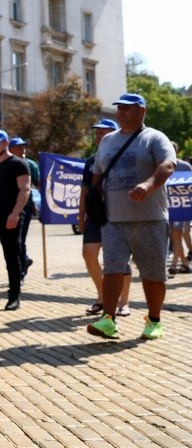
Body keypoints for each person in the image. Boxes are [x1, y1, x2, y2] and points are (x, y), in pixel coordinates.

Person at [88, 93, 176, 341]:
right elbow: (97, 175)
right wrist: (94, 200)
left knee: (153, 274)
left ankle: (154, 320)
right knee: (113, 269)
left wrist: (148, 185)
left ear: (142, 111)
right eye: (119, 109)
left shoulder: (155, 138)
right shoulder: (106, 141)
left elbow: (168, 165)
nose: (120, 113)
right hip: (114, 220)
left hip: (150, 219)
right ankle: (108, 320)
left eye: (127, 109)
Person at [78, 118, 132, 317]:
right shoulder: (91, 161)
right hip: (95, 214)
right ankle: (102, 297)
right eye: (97, 133)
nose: (99, 136)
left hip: (118, 214)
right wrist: (80, 216)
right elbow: (85, 191)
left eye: (103, 132)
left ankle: (124, 303)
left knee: (119, 260)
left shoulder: (125, 155)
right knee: (88, 254)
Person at [0, 130, 31, 311]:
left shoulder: (18, 164)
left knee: (11, 257)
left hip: (11, 218)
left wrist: (15, 213)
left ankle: (14, 296)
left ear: (5, 142)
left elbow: (25, 190)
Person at [8, 137, 38, 279]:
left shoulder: (30, 164)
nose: (22, 149)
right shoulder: (5, 163)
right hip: (6, 207)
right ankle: (23, 260)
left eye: (24, 147)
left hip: (24, 208)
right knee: (12, 241)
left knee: (20, 239)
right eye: (19, 147)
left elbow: (39, 184)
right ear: (11, 149)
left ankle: (21, 270)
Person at [167, 143, 191, 275]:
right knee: (175, 235)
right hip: (167, 206)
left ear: (176, 151)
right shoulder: (159, 165)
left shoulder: (185, 166)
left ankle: (174, 265)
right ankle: (185, 264)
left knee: (177, 233)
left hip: (182, 205)